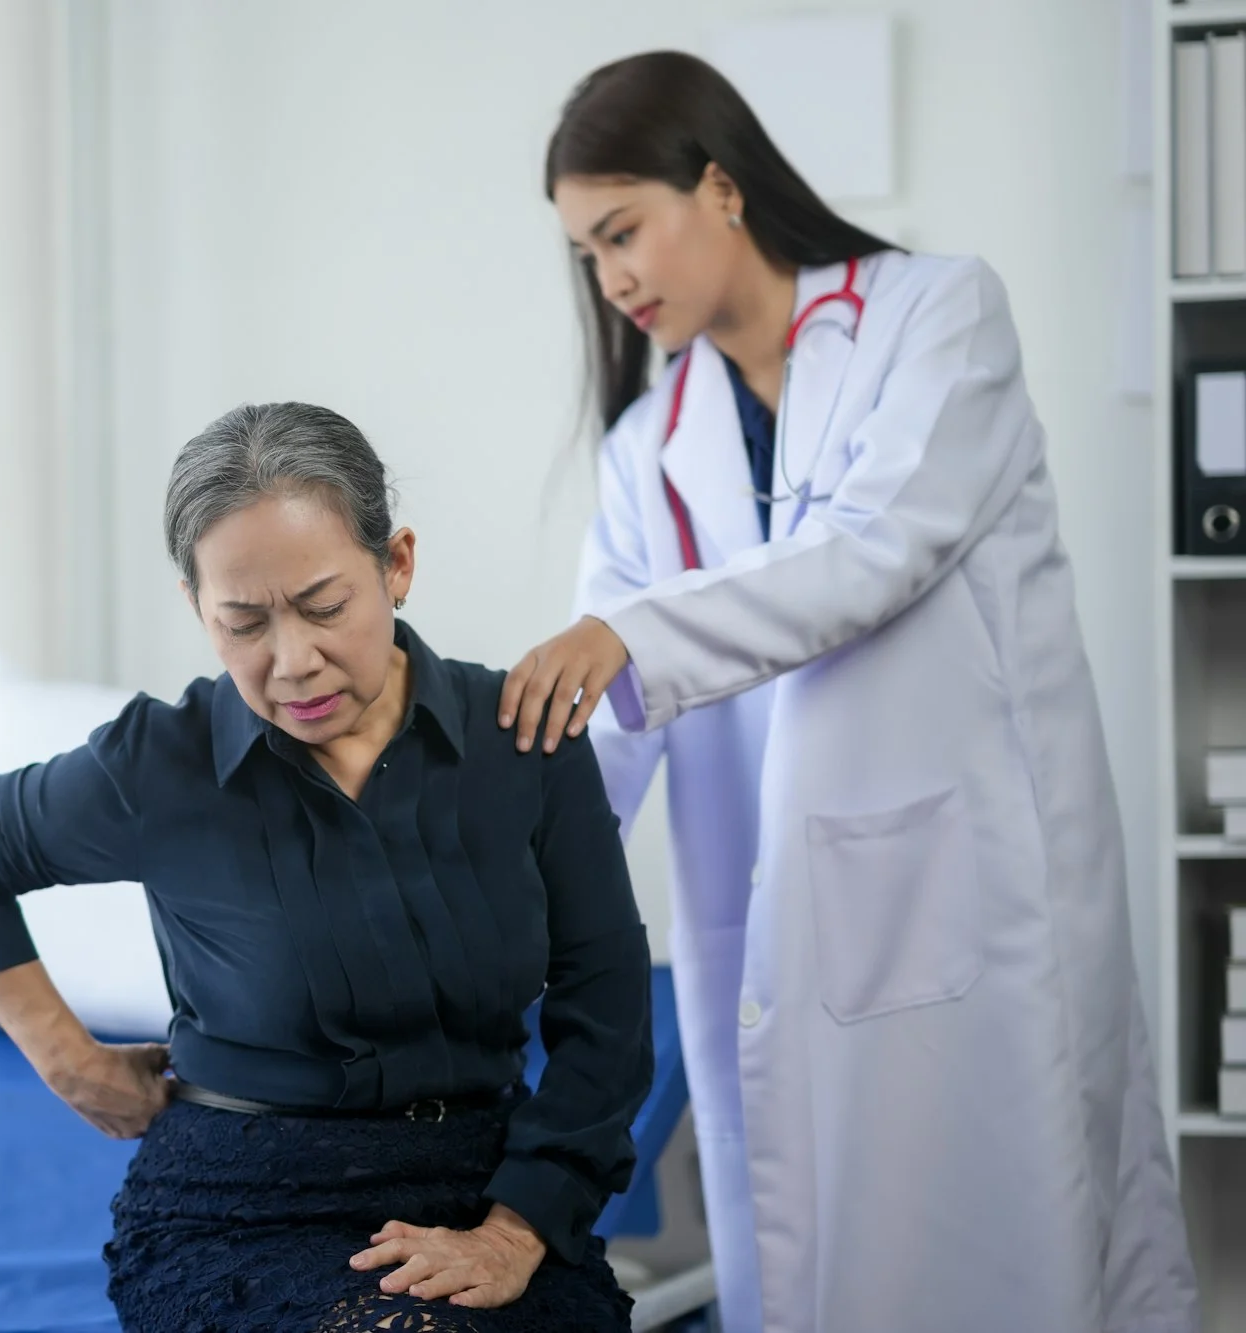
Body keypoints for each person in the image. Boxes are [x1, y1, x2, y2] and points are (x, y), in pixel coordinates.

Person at [495, 51, 1200, 1333]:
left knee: (1012, 1240)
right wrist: (488, 863)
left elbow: (875, 553)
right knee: (819, 1264)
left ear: (717, 186)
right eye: (586, 255)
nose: (611, 280)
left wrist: (623, 637)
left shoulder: (937, 317)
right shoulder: (644, 444)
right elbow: (604, 725)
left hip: (971, 886)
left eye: (621, 232)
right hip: (773, 913)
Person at [0, 403, 652, 1332]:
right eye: (243, 622)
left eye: (326, 606)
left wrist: (517, 1228)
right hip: (240, 1203)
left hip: (485, 1187)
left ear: (398, 564)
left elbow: (606, 1008)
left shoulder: (523, 738)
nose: (294, 661)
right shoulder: (156, 763)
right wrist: (66, 1057)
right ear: (196, 608)